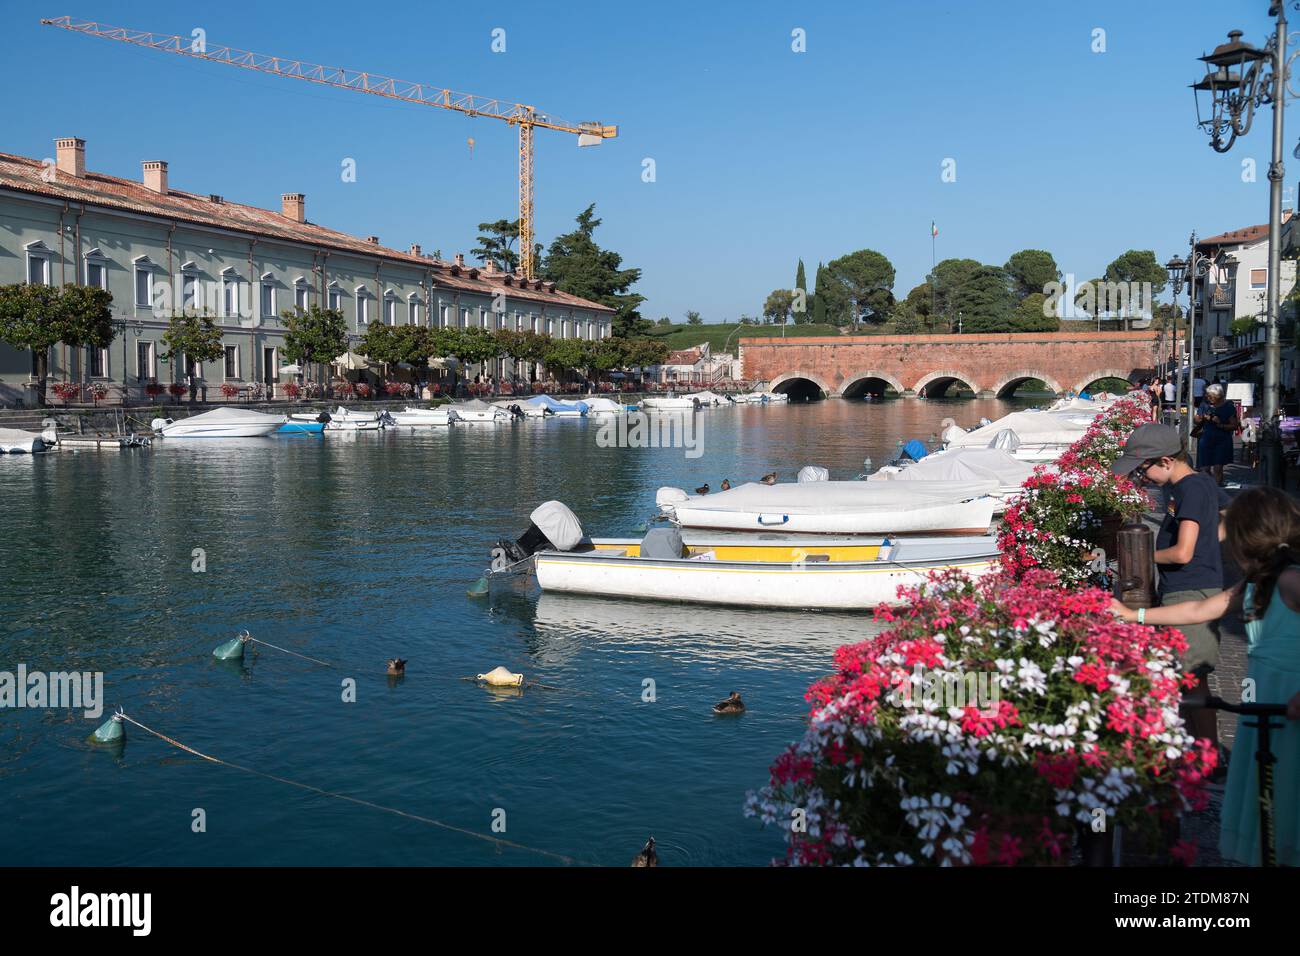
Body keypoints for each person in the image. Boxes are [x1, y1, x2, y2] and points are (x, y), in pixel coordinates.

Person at [1111, 487, 1300, 866]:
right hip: (1264, 703)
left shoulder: (1292, 579)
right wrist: (1135, 617)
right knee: (1270, 793)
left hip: (1290, 701)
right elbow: (1198, 609)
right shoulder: (1256, 583)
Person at [1112, 423, 1225, 750]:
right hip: (1195, 586)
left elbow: (1182, 552)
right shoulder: (1201, 482)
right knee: (1186, 679)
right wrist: (1211, 544)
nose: (1143, 477)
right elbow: (1229, 515)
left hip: (1191, 591)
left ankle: (1208, 757)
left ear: (1165, 461)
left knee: (1192, 680)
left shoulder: (1188, 489)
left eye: (1143, 468)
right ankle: (1197, 750)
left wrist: (1138, 558)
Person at [1195, 383, 1239, 486]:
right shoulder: (1204, 404)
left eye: (1211, 396)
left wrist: (1220, 424)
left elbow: (1234, 425)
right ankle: (1210, 486)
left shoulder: (1228, 407)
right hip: (1206, 439)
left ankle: (1216, 491)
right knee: (1204, 468)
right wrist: (1201, 418)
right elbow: (1196, 419)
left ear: (1219, 396)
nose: (1208, 398)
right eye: (1208, 396)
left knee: (1218, 468)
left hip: (1222, 440)